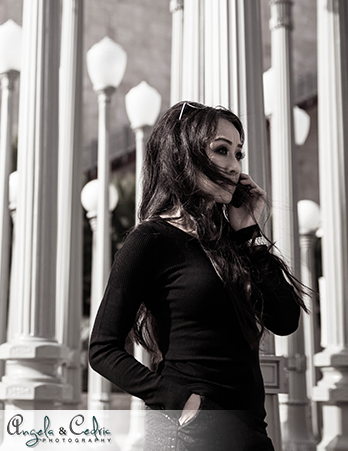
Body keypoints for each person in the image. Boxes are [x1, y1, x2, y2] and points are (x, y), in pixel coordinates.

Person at [88, 101, 307, 451]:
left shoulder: (231, 243)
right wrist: (184, 405)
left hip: (250, 427)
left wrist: (249, 234)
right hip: (189, 431)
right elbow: (102, 349)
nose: (235, 165)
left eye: (238, 153)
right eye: (222, 150)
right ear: (183, 154)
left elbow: (285, 320)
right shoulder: (150, 240)